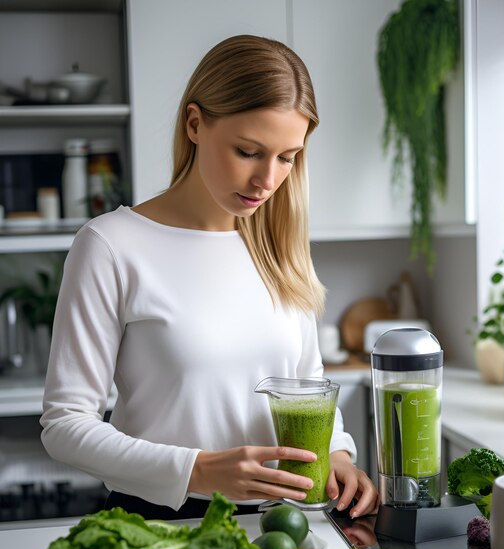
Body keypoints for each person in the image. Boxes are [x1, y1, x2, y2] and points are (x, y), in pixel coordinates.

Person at [41, 34, 378, 520]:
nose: (267, 179)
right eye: (248, 151)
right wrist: (195, 469)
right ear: (195, 123)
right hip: (159, 525)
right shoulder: (111, 246)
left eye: (287, 157)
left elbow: (307, 383)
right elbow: (65, 425)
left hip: (283, 522)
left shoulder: (279, 245)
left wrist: (340, 454)